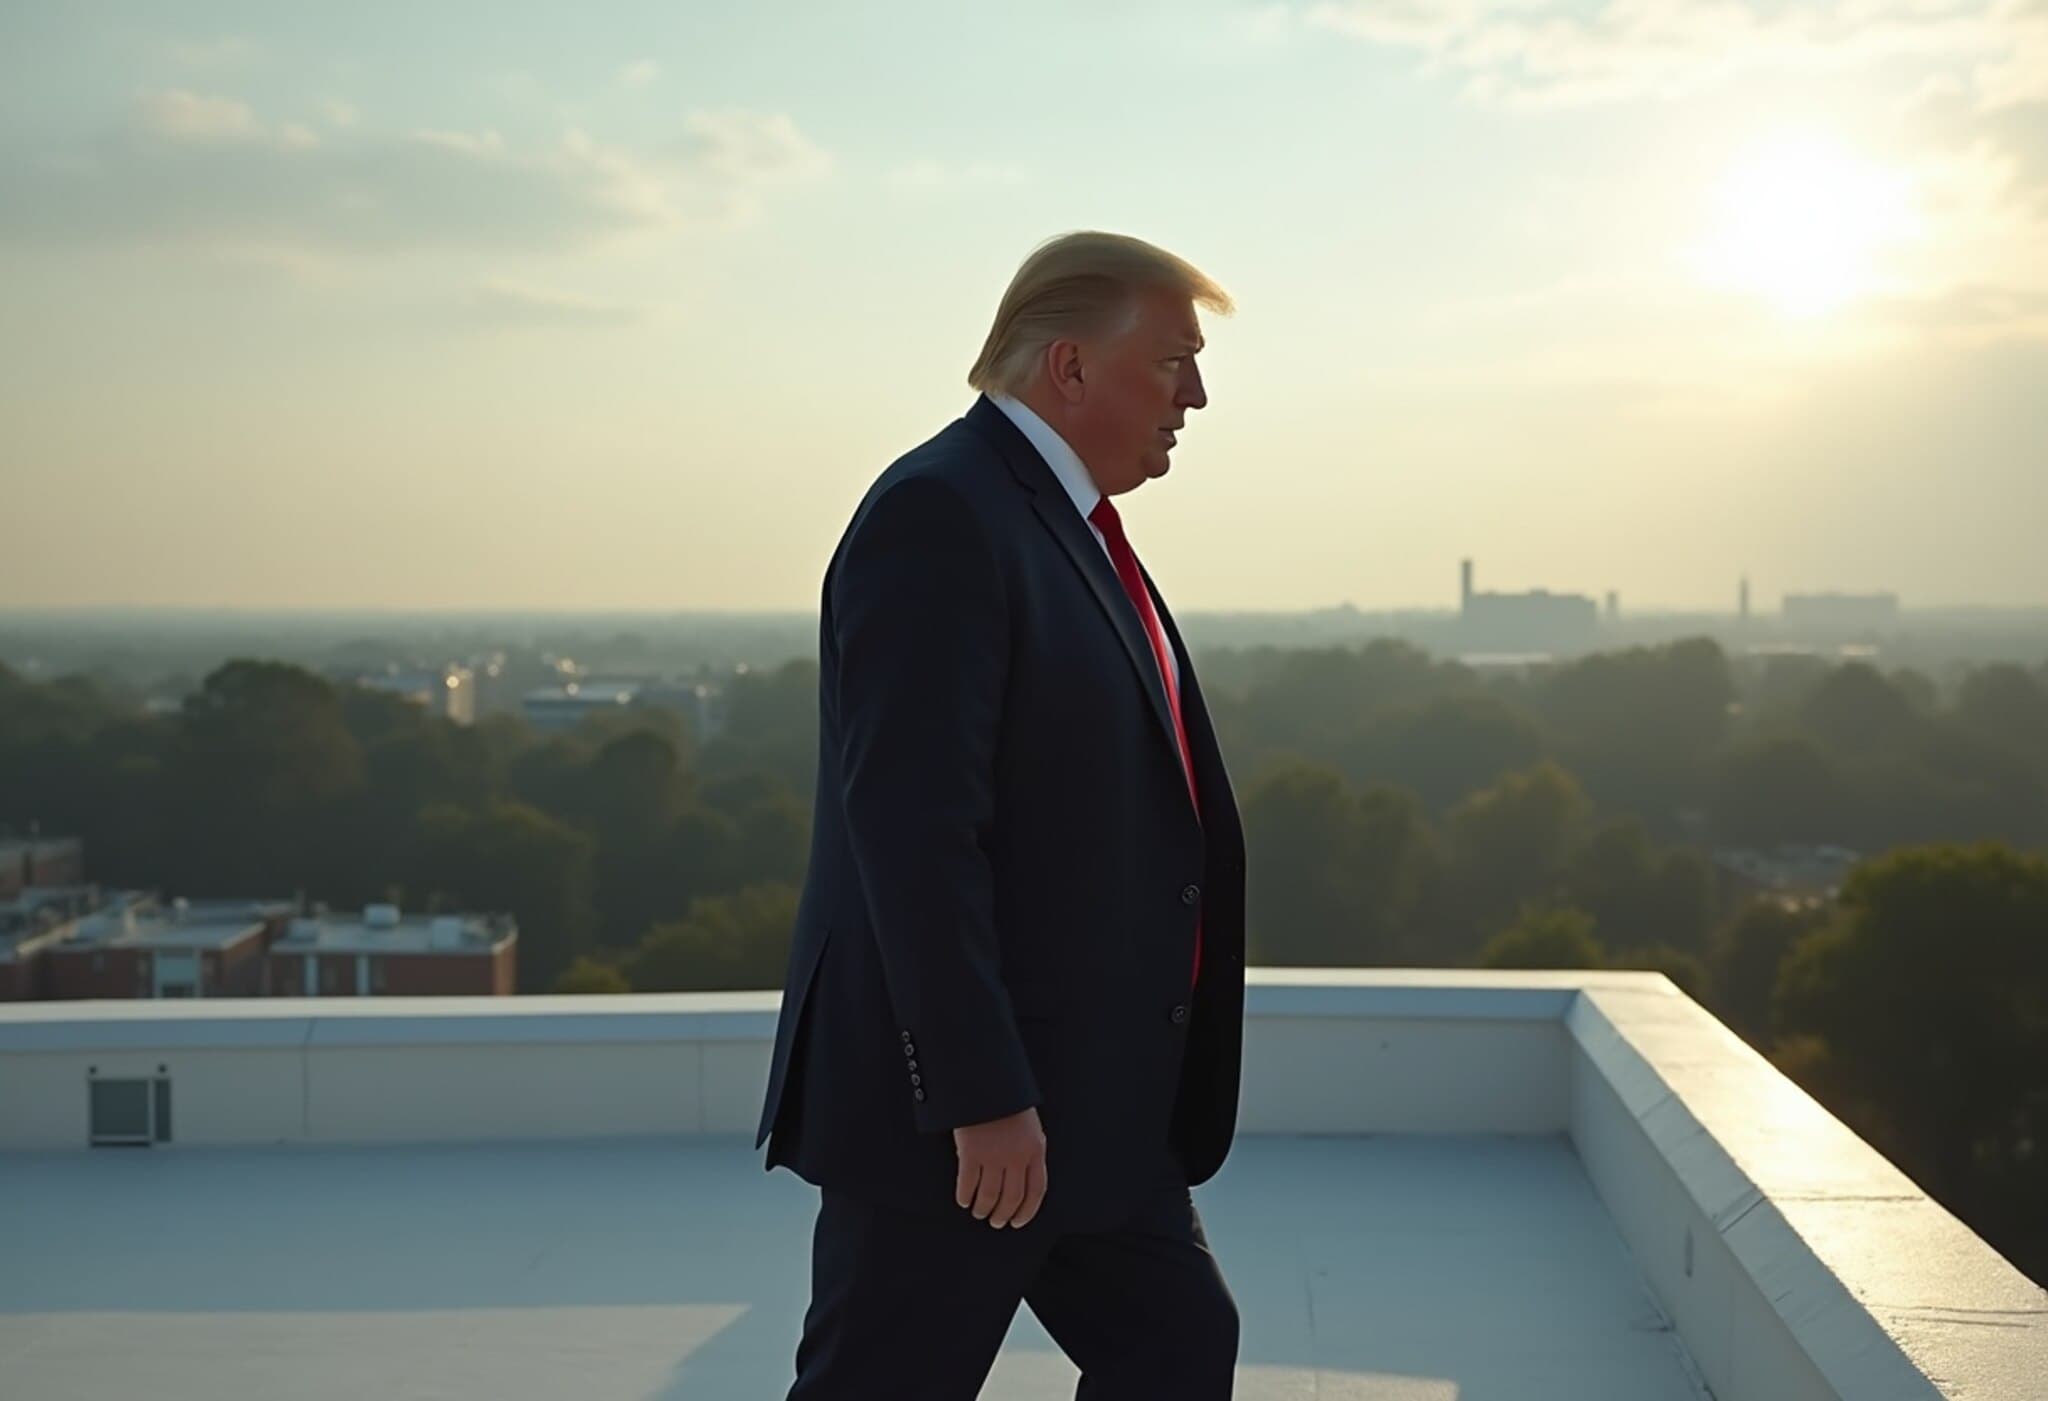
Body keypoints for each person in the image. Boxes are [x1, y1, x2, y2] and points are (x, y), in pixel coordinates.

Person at [755, 230, 1248, 1399]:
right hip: (966, 1127)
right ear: (1067, 367)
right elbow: (913, 838)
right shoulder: (940, 514)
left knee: (1177, 1347)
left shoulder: (1056, 526)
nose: (1197, 393)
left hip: (1089, 1111)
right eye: (1173, 359)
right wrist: (981, 1097)